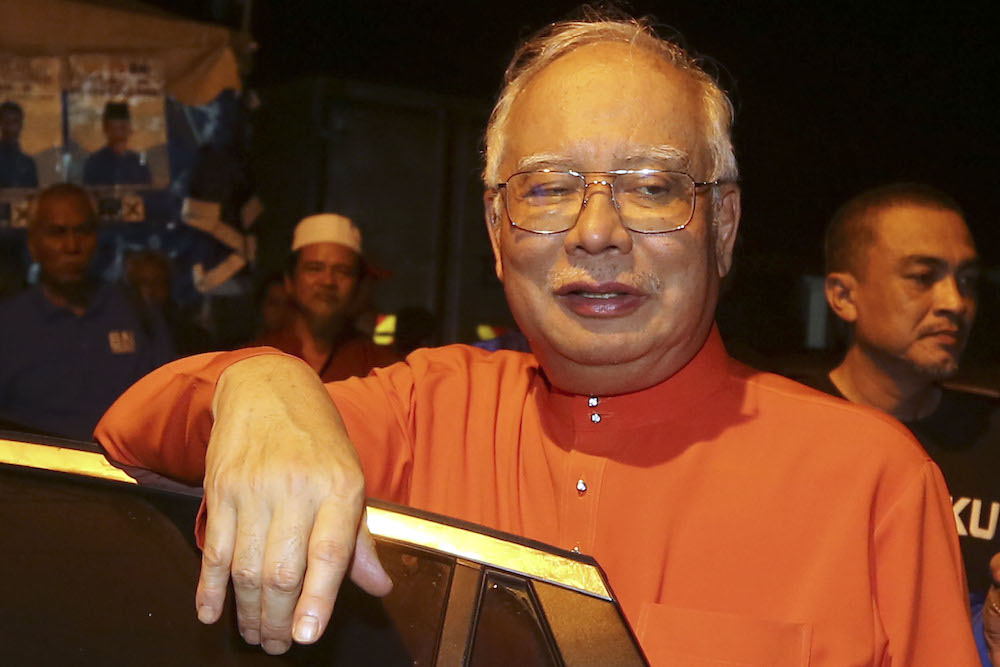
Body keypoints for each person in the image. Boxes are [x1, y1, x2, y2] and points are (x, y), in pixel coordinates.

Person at [95, 14, 978, 664]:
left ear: (725, 221)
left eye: (652, 185)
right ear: (495, 226)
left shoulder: (872, 483)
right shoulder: (425, 413)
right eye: (550, 187)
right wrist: (263, 385)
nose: (597, 230)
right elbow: (133, 429)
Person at [805, 183, 1000, 665]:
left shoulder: (992, 437)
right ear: (843, 296)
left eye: (967, 281)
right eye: (922, 276)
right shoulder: (777, 428)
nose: (955, 302)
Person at [0, 184, 173, 440]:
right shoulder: (8, 325)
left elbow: (170, 403)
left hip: (124, 473)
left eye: (83, 231)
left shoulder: (136, 311)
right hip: (34, 475)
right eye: (57, 233)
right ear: (33, 245)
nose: (72, 246)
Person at [249, 213, 399, 381]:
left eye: (342, 271)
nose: (328, 281)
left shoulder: (381, 368)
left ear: (357, 286)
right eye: (314, 268)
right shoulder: (252, 361)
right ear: (290, 281)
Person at [124, 249, 214, 356]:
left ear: (169, 284)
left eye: (157, 282)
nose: (150, 290)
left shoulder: (192, 335)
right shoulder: (118, 330)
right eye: (142, 283)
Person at [82, 101, 152, 187]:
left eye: (124, 125)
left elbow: (148, 192)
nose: (121, 128)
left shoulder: (140, 161)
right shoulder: (94, 162)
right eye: (116, 126)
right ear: (106, 128)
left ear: (129, 128)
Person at [0, 100, 38, 189]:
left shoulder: (28, 163)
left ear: (21, 124)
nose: (11, 127)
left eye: (15, 121)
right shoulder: (27, 163)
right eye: (7, 122)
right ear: (1, 124)